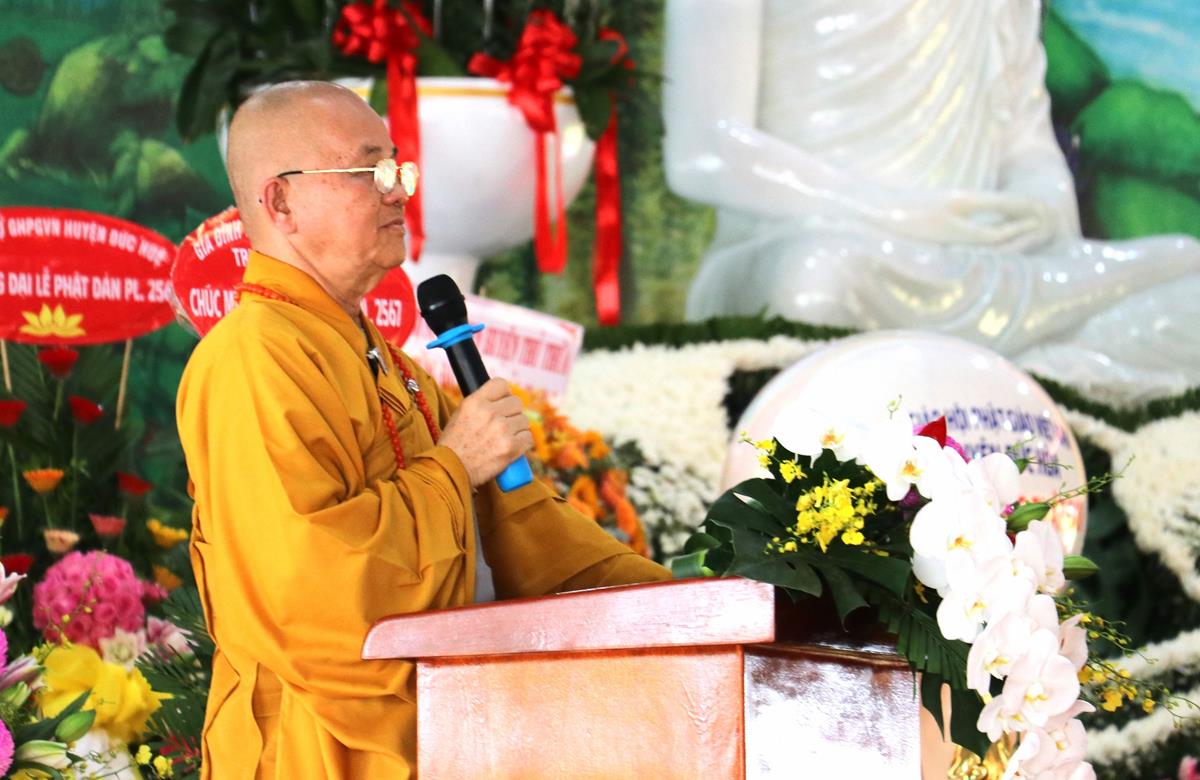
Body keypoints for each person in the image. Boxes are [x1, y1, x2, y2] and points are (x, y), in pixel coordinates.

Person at [175, 81, 670, 779]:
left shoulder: (389, 363)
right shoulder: (251, 359)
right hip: (316, 746)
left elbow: (518, 526)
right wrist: (453, 466)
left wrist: (681, 602)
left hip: (437, 731)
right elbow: (311, 590)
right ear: (280, 201)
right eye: (369, 171)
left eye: (398, 168)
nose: (398, 191)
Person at [662, 0, 1200, 401]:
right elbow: (704, 152)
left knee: (1187, 272)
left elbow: (1028, 147)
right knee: (812, 282)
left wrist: (1039, 209)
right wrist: (897, 214)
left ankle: (1012, 386)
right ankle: (1014, 386)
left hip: (979, 266)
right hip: (834, 254)